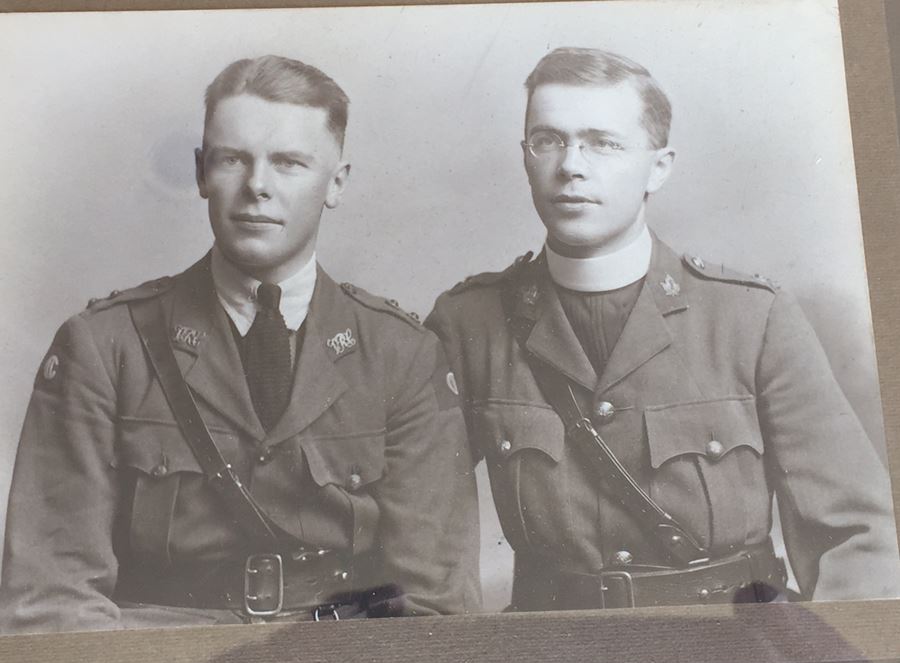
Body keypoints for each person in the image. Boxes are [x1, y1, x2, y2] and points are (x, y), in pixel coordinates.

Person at [0, 55, 480, 633]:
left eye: (289, 162)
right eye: (233, 159)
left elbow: (433, 605)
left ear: (336, 183)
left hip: (343, 658)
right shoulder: (105, 348)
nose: (257, 186)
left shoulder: (402, 357)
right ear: (202, 172)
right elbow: (52, 601)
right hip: (152, 660)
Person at [426, 47, 900, 611]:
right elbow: (417, 528)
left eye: (604, 142)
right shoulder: (468, 324)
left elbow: (856, 540)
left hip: (733, 644)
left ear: (659, 166)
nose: (571, 165)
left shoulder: (750, 319)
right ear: (525, 156)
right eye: (547, 140)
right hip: (551, 646)